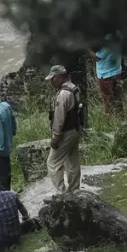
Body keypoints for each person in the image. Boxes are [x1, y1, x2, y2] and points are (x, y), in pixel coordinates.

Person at [44, 64, 84, 193]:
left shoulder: (63, 94)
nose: (51, 81)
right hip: (75, 130)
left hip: (65, 133)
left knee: (53, 163)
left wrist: (55, 138)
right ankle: (74, 189)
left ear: (60, 77)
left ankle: (61, 193)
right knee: (72, 161)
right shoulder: (74, 88)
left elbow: (59, 119)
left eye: (53, 78)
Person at [90, 31, 124, 115]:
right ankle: (121, 120)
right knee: (117, 100)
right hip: (117, 71)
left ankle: (111, 122)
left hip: (106, 75)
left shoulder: (108, 39)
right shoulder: (118, 34)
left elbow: (97, 57)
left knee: (108, 101)